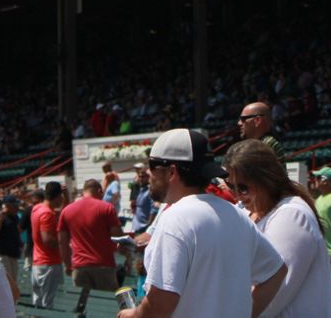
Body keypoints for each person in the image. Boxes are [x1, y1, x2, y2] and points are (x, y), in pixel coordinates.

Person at [117, 128, 286, 318]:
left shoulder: (175, 218)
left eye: (153, 165)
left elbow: (160, 304)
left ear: (171, 172)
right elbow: (276, 272)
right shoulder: (236, 215)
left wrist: (133, 315)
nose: (148, 172)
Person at [223, 139, 331, 318]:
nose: (237, 195)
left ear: (266, 180)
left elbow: (273, 293)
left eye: (243, 187)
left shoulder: (292, 215)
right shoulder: (248, 212)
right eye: (231, 186)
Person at [58, 179, 123, 291]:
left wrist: (68, 265)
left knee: (83, 306)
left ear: (84, 191)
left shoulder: (67, 211)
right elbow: (118, 237)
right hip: (104, 266)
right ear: (99, 191)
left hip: (79, 267)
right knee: (107, 305)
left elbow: (62, 242)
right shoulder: (107, 208)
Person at [29, 181, 64, 307]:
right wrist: (63, 245)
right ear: (58, 196)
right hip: (49, 263)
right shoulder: (47, 213)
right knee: (47, 304)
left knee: (38, 302)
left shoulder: (37, 208)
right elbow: (47, 239)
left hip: (38, 262)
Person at [0, 195, 23, 285]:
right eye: (15, 206)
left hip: (13, 253)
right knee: (6, 281)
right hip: (2, 254)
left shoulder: (15, 218)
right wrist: (1, 219)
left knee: (13, 281)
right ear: (8, 206)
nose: (17, 208)